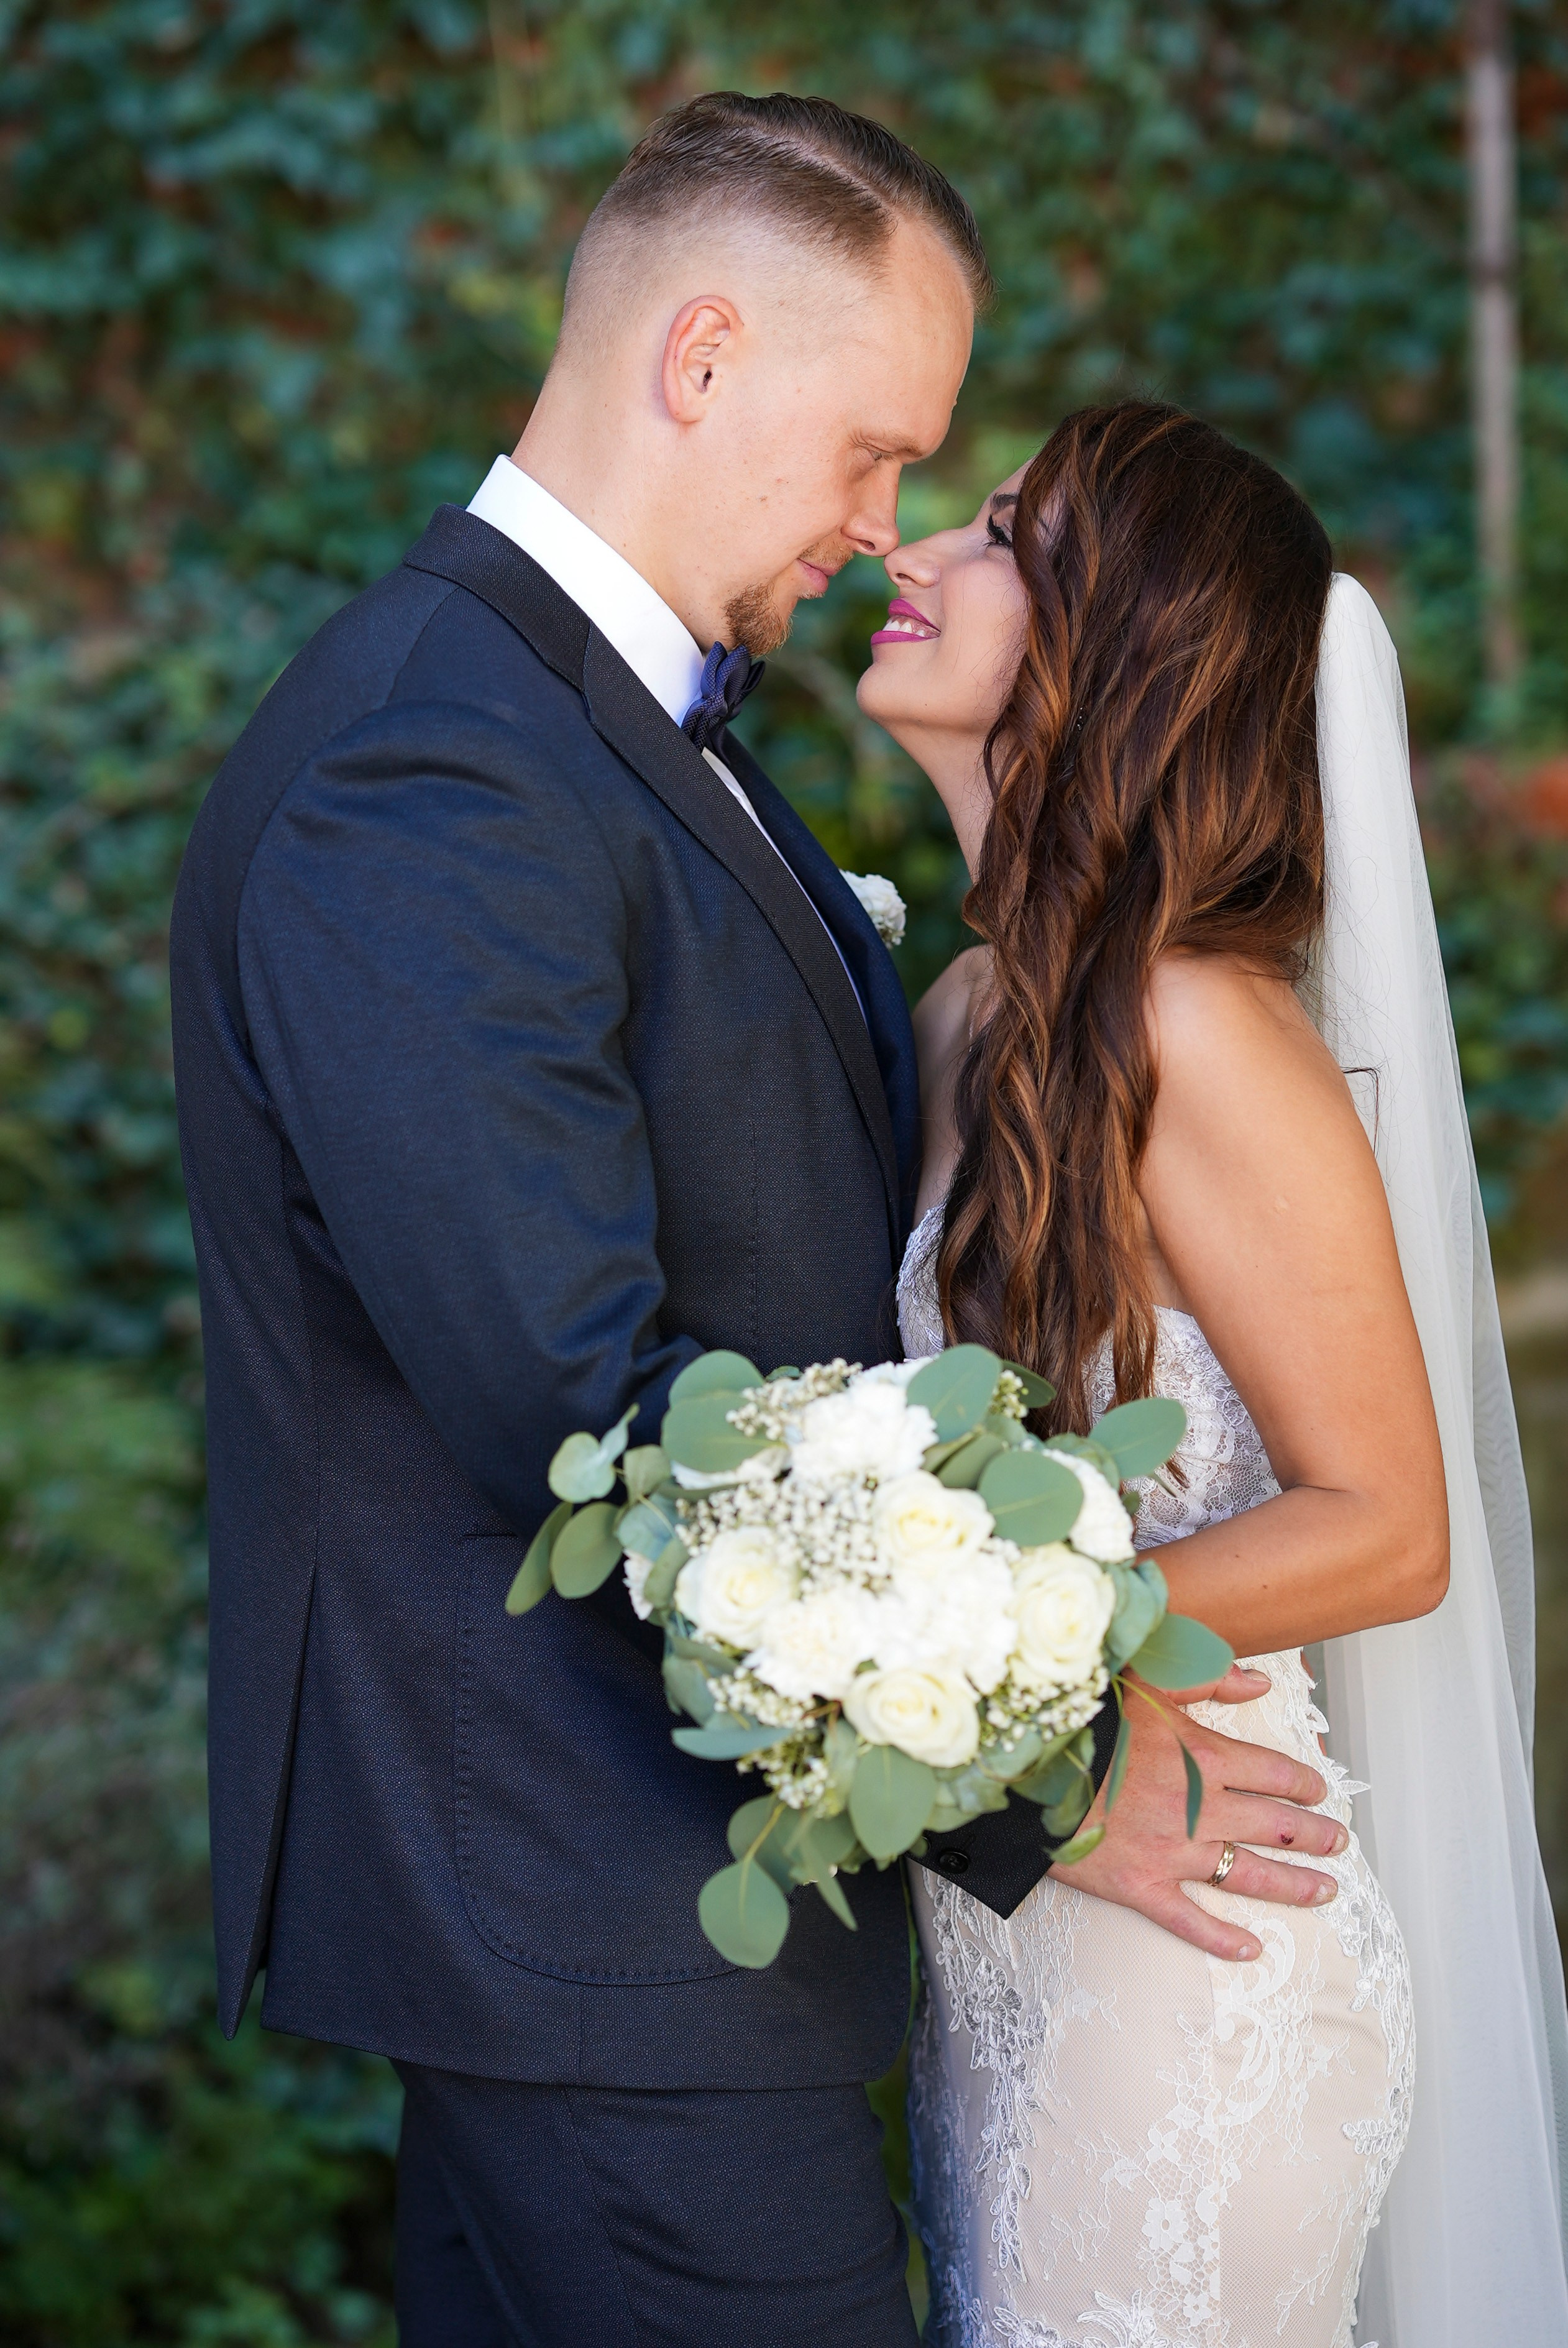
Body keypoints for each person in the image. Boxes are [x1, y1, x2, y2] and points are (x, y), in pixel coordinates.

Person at [171, 99, 1347, 2348]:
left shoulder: (603, 735)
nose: (878, 532)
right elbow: (584, 1412)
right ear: (699, 358)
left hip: (666, 1925)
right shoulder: (443, 773)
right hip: (607, 1925)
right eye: (875, 452)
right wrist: (1049, 1777)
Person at [861, 401, 1568, 2346]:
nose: (912, 554)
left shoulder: (1195, 1024)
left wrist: (1003, 1634)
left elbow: (1389, 1521)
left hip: (1199, 1950)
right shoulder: (960, 1015)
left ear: (1128, 635)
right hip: (1022, 1944)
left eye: (999, 535)